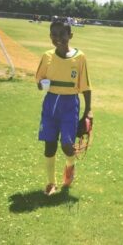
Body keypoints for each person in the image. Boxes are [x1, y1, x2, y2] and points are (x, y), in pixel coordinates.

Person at [36, 20, 92, 196]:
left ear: (70, 36)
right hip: (50, 104)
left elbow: (85, 87)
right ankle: (51, 183)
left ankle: (70, 167)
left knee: (68, 145)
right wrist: (42, 84)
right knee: (50, 145)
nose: (58, 38)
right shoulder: (47, 56)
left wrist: (88, 111)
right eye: (54, 34)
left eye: (62, 34)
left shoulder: (80, 57)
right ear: (50, 36)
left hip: (70, 105)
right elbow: (39, 80)